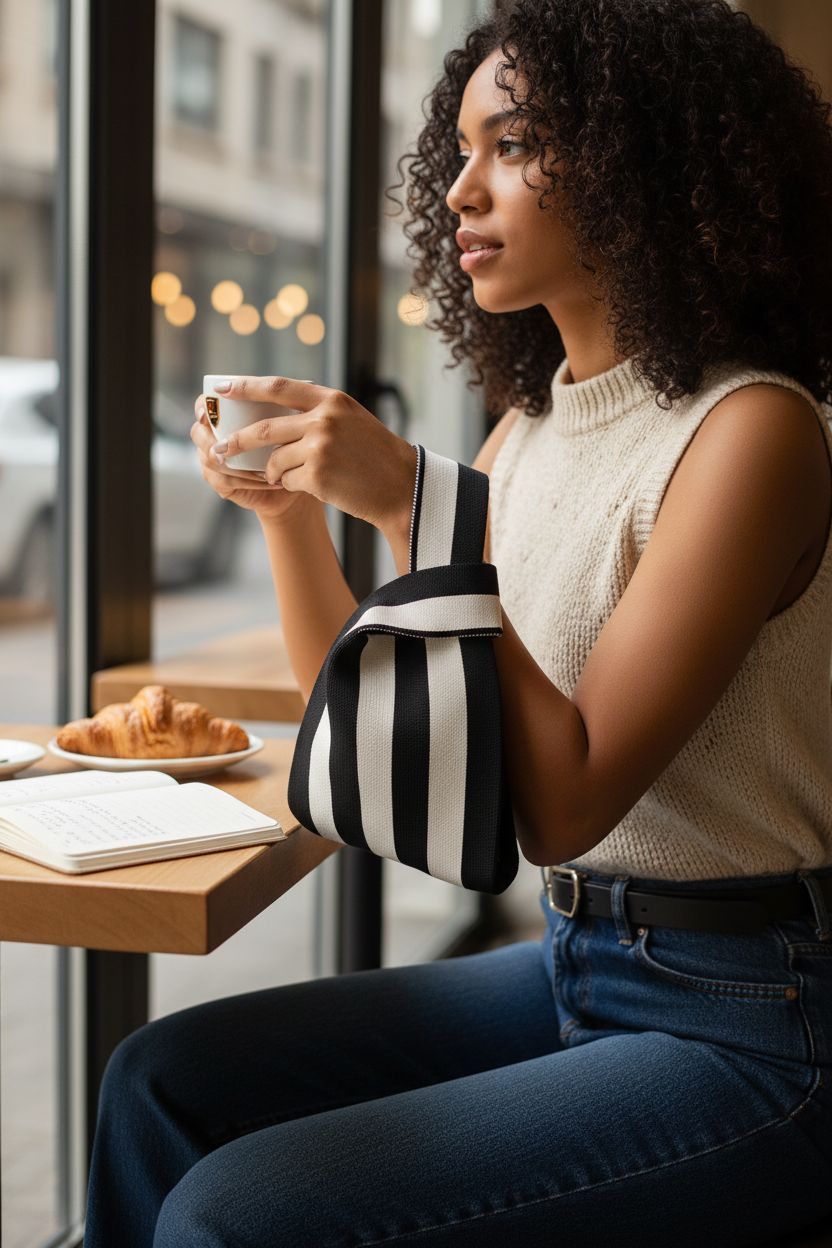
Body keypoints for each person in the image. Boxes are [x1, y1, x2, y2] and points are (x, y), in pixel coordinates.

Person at [84, 1, 832, 1243]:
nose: (461, 191)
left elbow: (563, 799)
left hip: (753, 1017)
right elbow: (382, 719)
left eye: (515, 143)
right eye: (461, 150)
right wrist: (287, 516)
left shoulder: (753, 434)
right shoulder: (528, 429)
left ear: (642, 156)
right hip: (574, 955)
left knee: (237, 1213)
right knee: (155, 1084)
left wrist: (407, 505)